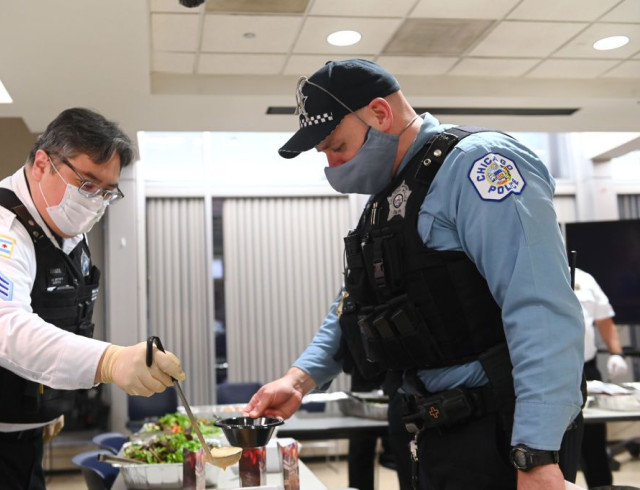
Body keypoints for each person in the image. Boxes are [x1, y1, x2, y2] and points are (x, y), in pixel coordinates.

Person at [244, 59, 585, 490]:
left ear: (380, 114)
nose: (331, 165)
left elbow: (540, 308)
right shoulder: (386, 198)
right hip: (429, 427)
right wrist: (299, 380)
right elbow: (356, 302)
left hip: (502, 431)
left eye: (336, 145)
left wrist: (536, 454)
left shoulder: (478, 165)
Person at [0, 108, 185, 489]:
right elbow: (3, 329)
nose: (95, 202)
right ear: (42, 164)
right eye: (86, 184)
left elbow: (61, 317)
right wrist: (110, 360)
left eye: (107, 192)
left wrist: (41, 407)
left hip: (21, 443)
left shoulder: (66, 236)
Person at [574, 267, 628, 488]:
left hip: (586, 369)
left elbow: (604, 320)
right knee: (550, 447)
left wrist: (616, 353)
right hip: (547, 370)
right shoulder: (531, 272)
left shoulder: (584, 278)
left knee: (594, 444)